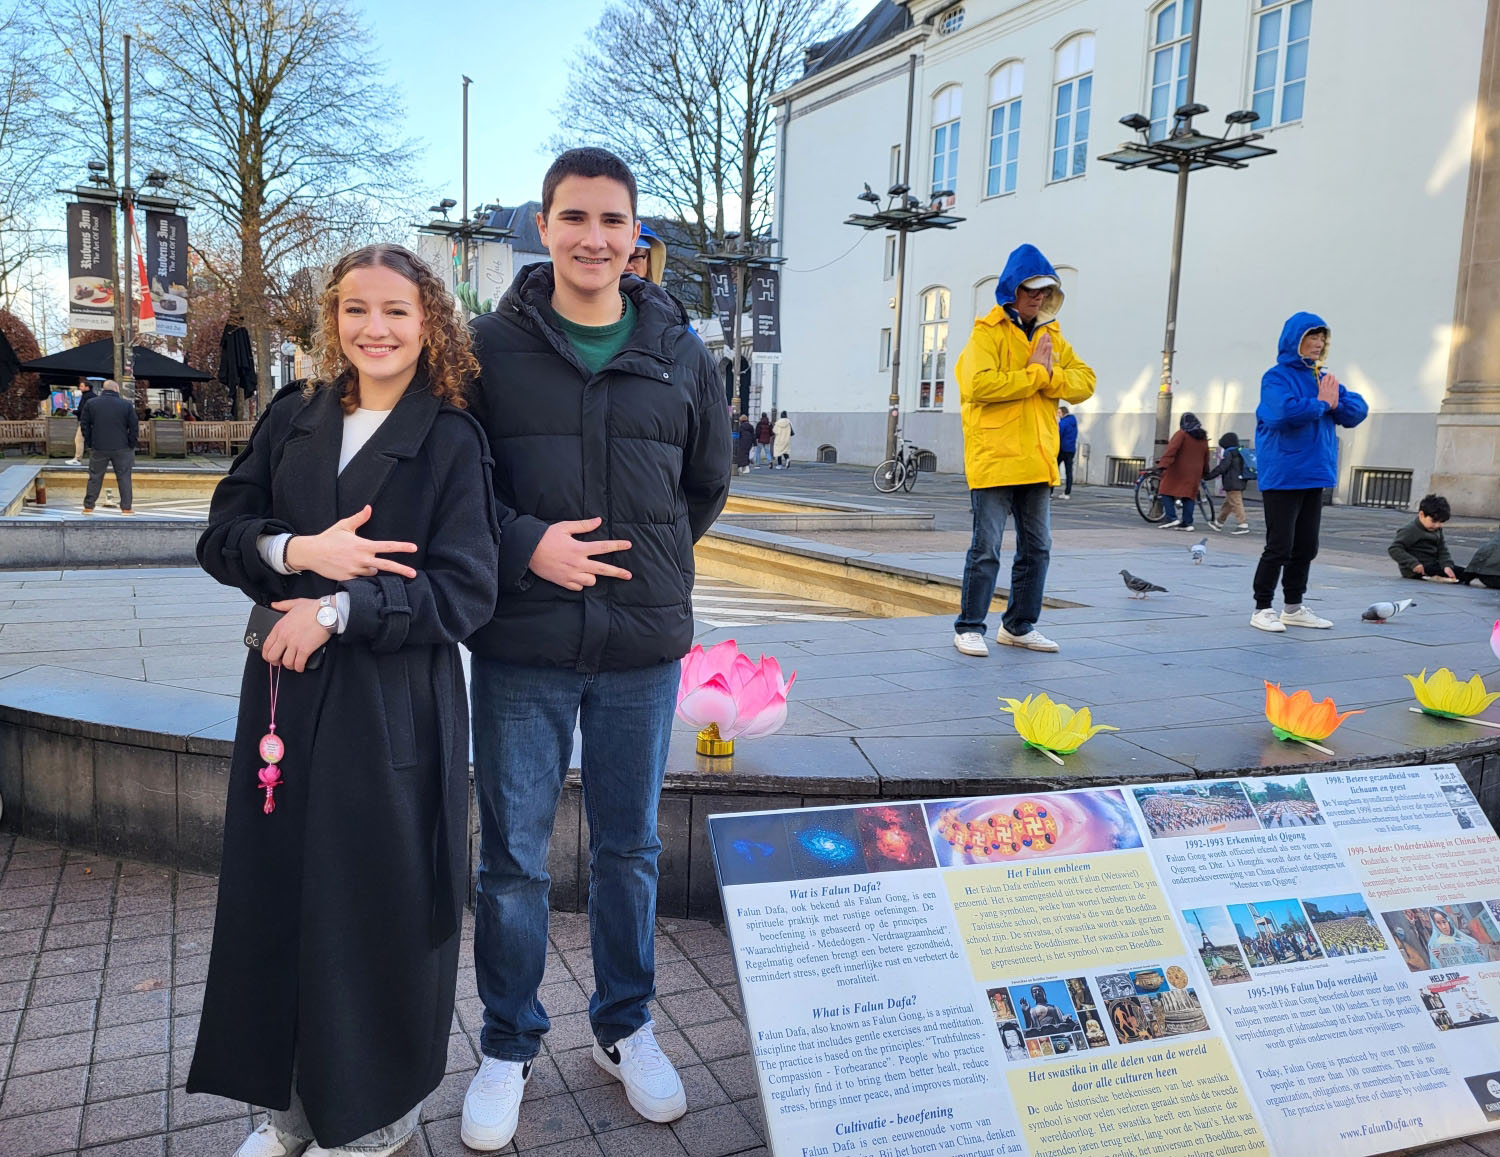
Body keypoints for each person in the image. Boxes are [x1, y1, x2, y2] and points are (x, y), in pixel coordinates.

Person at [188, 244, 501, 1157]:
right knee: (277, 899)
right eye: (356, 309)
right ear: (331, 321)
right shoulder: (293, 418)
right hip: (284, 703)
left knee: (374, 909)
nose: (376, 327)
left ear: (429, 320)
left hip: (392, 714)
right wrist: (297, 553)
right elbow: (222, 538)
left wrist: (339, 606)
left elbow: (465, 591)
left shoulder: (449, 437)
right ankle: (285, 1111)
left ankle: (372, 1116)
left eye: (397, 311)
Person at [463, 147, 730, 1151]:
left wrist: (651, 561)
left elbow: (704, 485)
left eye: (613, 220)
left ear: (637, 235)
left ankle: (625, 1028)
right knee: (516, 859)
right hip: (522, 643)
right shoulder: (489, 348)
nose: (593, 237)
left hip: (639, 645)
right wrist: (528, 543)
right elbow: (456, 493)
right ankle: (507, 1041)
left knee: (628, 850)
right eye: (574, 217)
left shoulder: (678, 348)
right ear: (543, 225)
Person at [951, 243, 1095, 658]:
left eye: (1045, 291)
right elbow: (977, 385)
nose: (1037, 297)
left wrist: (1048, 377)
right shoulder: (987, 333)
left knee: (1038, 548)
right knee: (986, 548)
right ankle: (970, 626)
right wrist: (1036, 374)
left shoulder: (1052, 335)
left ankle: (1018, 625)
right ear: (1012, 290)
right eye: (1031, 289)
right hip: (995, 458)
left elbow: (1086, 381)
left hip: (1037, 457)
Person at [1250, 312, 1368, 633]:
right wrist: (1321, 404)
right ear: (1295, 340)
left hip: (1315, 473)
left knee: (1306, 546)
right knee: (1280, 546)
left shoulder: (1322, 378)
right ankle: (1262, 607)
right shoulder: (1275, 378)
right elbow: (1281, 413)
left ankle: (1293, 607)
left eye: (1322, 338)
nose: (1318, 343)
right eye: (1312, 337)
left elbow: (1357, 410)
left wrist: (1331, 401)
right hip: (1284, 474)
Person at [80, 379, 138, 515]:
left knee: (95, 477)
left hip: (99, 446)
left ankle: (88, 506)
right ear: (116, 389)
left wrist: (90, 442)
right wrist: (131, 444)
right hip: (122, 447)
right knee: (124, 477)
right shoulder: (126, 405)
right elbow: (134, 427)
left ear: (103, 390)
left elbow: (84, 425)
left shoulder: (91, 403)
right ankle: (126, 507)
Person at [1155, 412, 1210, 531]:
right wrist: (1205, 471)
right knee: (1189, 495)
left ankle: (1171, 517)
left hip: (1179, 469)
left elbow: (1171, 450)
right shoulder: (1202, 437)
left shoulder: (1182, 434)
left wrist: (1163, 465)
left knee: (1165, 490)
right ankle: (1187, 523)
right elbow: (1206, 456)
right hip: (1195, 471)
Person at [1388, 493, 1460, 582]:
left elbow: (1442, 549)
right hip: (1417, 569)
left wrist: (1447, 565)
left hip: (1433, 564)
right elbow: (1394, 549)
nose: (1437, 525)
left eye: (1441, 522)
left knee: (1461, 572)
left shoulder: (1437, 529)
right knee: (1456, 574)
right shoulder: (1411, 530)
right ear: (1421, 514)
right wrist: (1413, 563)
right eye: (1434, 521)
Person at [1206, 431, 1252, 534]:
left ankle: (1242, 524)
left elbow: (1222, 467)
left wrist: (1208, 476)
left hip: (1231, 483)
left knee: (1236, 503)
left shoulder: (1229, 453)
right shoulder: (1240, 452)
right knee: (1229, 503)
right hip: (1241, 481)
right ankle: (1218, 523)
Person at [67, 379, 95, 464]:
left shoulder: (86, 397)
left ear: (87, 387)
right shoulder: (92, 396)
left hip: (85, 421)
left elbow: (83, 410)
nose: (80, 387)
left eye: (82, 386)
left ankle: (77, 458)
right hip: (92, 421)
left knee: (78, 439)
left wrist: (74, 412)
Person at [1055, 403, 1077, 498]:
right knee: (1069, 472)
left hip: (1062, 449)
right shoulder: (1073, 421)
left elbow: (1058, 435)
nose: (1058, 415)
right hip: (1071, 449)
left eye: (1059, 413)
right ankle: (1067, 493)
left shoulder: (1063, 423)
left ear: (1063, 413)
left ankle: (1050, 492)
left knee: (1055, 470)